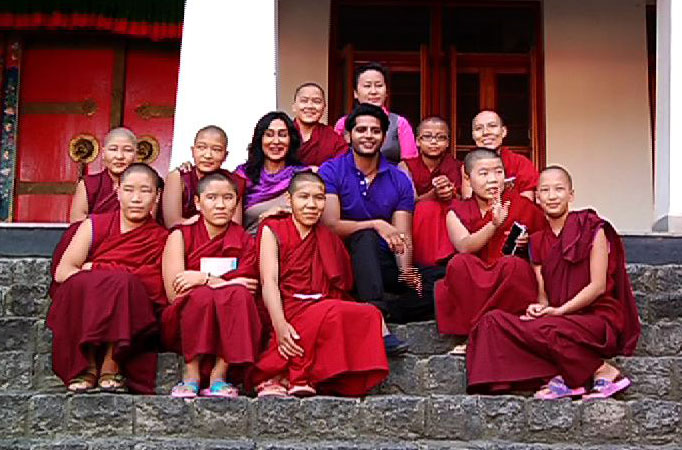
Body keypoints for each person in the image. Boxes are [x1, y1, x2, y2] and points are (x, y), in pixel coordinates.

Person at [466, 166, 641, 400]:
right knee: (491, 321)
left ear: (571, 195)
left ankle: (604, 372)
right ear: (537, 197)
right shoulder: (537, 241)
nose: (552, 196)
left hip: (597, 319)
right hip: (559, 321)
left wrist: (559, 312)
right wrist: (540, 308)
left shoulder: (591, 227)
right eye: (545, 190)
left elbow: (598, 286)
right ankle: (570, 377)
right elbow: (543, 292)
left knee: (548, 328)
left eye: (559, 189)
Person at [248, 171, 389, 397]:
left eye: (319, 198)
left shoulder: (326, 236)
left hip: (322, 303)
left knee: (369, 313)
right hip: (284, 305)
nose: (312, 205)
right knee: (330, 312)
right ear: (289, 198)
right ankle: (283, 375)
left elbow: (341, 283)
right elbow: (269, 282)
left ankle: (297, 376)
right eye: (304, 197)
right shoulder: (272, 229)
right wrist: (280, 324)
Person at [48, 163, 168, 394]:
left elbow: (155, 282)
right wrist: (105, 277)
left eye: (145, 191)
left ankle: (111, 363)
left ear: (157, 195)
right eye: (130, 189)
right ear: (117, 191)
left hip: (129, 303)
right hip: (91, 299)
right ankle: (88, 363)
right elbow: (63, 272)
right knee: (91, 283)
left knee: (125, 284)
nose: (136, 198)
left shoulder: (162, 237)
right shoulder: (94, 225)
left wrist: (99, 268)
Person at [320, 103, 424, 343]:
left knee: (435, 282)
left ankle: (376, 305)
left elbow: (402, 236)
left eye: (375, 131)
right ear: (348, 135)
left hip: (380, 265)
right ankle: (376, 317)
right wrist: (375, 223)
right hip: (340, 261)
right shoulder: (332, 170)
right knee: (364, 237)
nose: (368, 136)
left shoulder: (398, 178)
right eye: (361, 130)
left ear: (384, 136)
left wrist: (407, 274)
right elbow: (331, 225)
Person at [434, 149, 546, 354]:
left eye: (499, 172)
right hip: (475, 279)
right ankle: (485, 330)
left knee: (513, 265)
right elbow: (464, 246)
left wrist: (531, 242)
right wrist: (494, 225)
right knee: (458, 264)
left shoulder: (521, 205)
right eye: (484, 173)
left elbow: (546, 244)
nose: (493, 180)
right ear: (467, 178)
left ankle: (478, 333)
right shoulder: (456, 210)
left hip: (508, 278)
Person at [161, 172, 262, 398]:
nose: (220, 205)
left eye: (227, 198)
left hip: (230, 313)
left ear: (236, 203)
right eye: (212, 198)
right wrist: (220, 282)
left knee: (237, 296)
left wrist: (203, 279)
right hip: (187, 315)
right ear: (198, 202)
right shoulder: (180, 236)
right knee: (203, 297)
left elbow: (248, 287)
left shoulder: (245, 239)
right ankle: (191, 374)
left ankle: (219, 375)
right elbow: (173, 292)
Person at [401, 117, 463, 267]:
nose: (434, 142)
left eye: (440, 137)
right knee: (426, 208)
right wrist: (433, 194)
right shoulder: (406, 166)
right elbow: (409, 202)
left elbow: (465, 199)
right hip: (418, 218)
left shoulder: (458, 166)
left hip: (448, 219)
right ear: (417, 141)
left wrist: (451, 193)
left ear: (447, 143)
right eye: (427, 136)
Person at [235, 112, 309, 234]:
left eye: (283, 135)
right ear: (260, 140)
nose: (276, 141)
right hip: (250, 246)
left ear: (291, 140)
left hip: (291, 245)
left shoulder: (302, 176)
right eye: (269, 135)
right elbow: (233, 227)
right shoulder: (242, 175)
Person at [334, 62, 417, 164]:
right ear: (355, 93)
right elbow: (336, 160)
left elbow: (411, 163)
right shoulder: (343, 124)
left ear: (386, 92)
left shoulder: (399, 123)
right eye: (367, 86)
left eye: (379, 85)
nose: (373, 91)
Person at [163, 125, 246, 227]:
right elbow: (172, 223)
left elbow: (235, 225)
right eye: (201, 148)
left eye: (216, 150)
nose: (207, 155)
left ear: (225, 155)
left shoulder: (233, 182)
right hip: (183, 238)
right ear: (193, 151)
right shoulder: (178, 177)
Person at [462, 110, 539, 200]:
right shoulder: (469, 165)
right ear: (473, 135)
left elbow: (527, 203)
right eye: (479, 128)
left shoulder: (520, 163)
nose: (486, 132)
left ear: (503, 132)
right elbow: (468, 201)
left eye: (492, 126)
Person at [69, 127, 138, 222]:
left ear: (136, 155)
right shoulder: (89, 184)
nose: (119, 156)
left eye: (127, 150)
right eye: (113, 149)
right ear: (103, 153)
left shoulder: (146, 186)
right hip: (94, 237)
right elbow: (76, 223)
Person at [293, 82, 348, 166]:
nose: (310, 106)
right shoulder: (284, 133)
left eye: (317, 101)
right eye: (304, 101)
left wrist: (321, 171)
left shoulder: (333, 138)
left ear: (324, 107)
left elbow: (342, 167)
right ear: (294, 106)